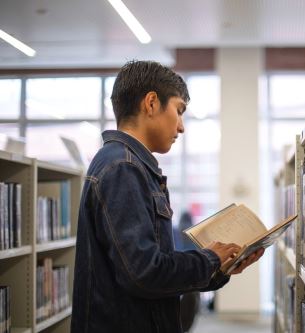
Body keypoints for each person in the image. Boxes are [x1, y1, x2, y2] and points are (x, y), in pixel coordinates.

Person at [71, 60, 265, 333]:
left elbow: (155, 270)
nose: (182, 126)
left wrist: (221, 267)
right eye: (179, 110)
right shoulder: (123, 168)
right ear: (151, 103)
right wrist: (210, 259)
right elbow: (143, 273)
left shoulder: (130, 165)